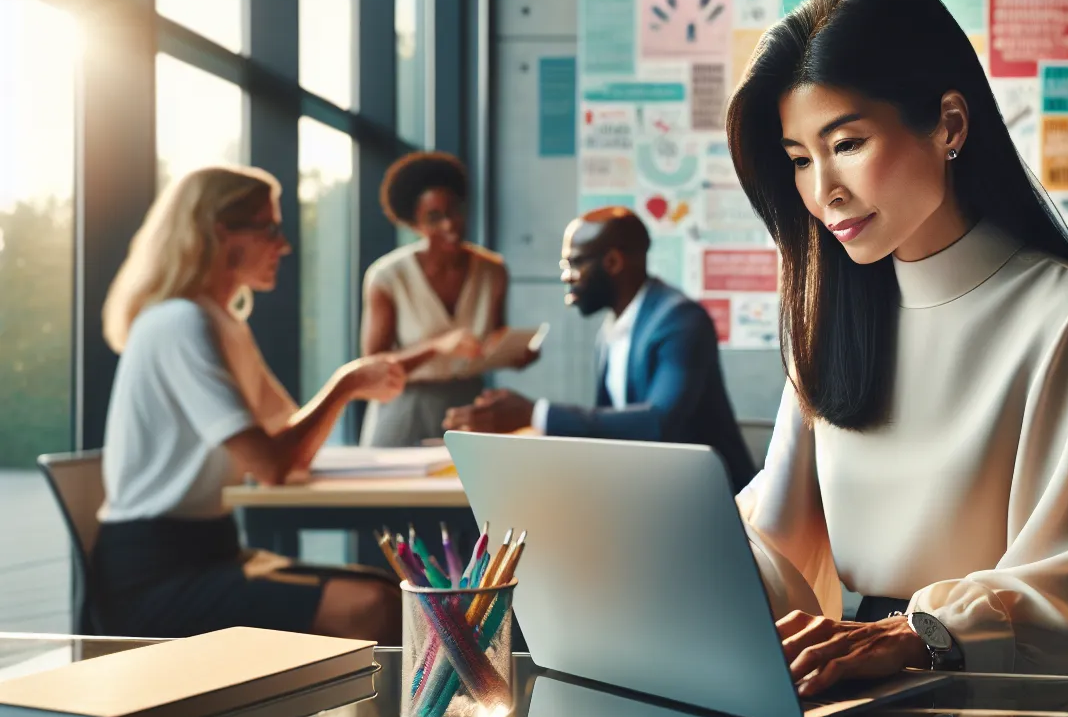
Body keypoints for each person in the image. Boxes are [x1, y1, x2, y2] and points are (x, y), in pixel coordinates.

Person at [725, 0, 1068, 700]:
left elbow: (1064, 582)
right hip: (865, 693)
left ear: (950, 125)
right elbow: (779, 546)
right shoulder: (826, 314)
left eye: (848, 142)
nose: (822, 188)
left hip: (1027, 706)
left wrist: (903, 637)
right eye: (800, 158)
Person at [95, 165, 410, 643]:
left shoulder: (221, 323)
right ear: (221, 232)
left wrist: (341, 393)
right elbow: (273, 465)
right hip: (153, 576)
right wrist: (345, 385)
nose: (283, 245)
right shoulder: (179, 323)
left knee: (392, 592)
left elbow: (289, 441)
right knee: (373, 607)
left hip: (208, 551)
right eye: (271, 228)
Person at [444, 207, 757, 492]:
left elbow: (660, 423)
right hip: (650, 495)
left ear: (613, 262)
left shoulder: (680, 321)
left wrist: (534, 414)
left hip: (710, 501)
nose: (566, 277)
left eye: (574, 263)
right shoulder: (612, 329)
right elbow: (607, 430)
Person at [361, 151, 531, 446]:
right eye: (434, 217)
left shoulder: (493, 271)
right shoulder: (388, 276)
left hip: (470, 407)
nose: (450, 224)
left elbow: (494, 339)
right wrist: (437, 346)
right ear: (415, 224)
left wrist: (514, 354)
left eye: (454, 211)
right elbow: (371, 367)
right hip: (406, 408)